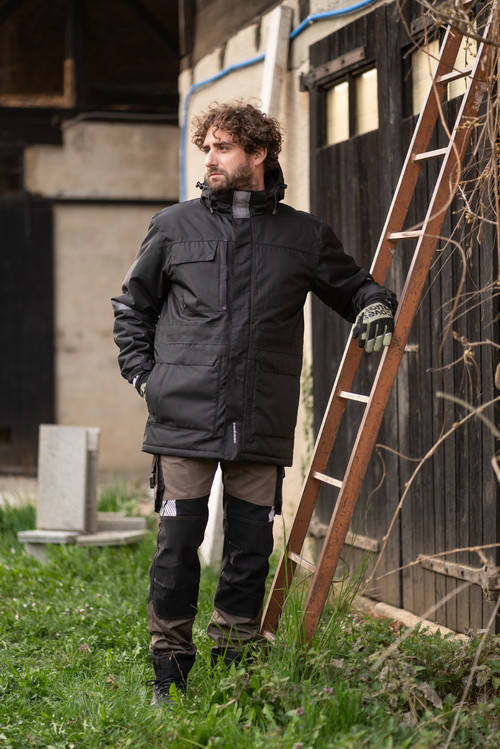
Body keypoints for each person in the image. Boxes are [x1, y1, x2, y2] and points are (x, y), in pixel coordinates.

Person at [111, 101, 396, 706]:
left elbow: (354, 287)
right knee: (177, 546)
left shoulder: (303, 236)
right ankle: (169, 672)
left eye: (222, 148)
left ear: (258, 153)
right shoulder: (174, 227)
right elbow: (133, 307)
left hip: (260, 418)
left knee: (250, 549)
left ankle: (234, 665)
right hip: (182, 417)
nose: (209, 160)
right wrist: (145, 379)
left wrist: (375, 304)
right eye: (207, 149)